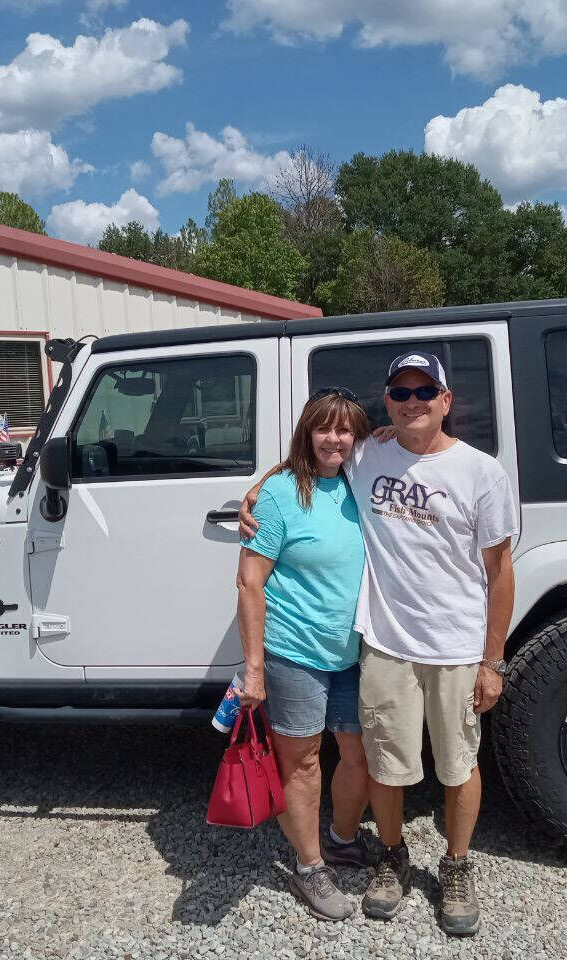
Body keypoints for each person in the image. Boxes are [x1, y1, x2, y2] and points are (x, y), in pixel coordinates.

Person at [241, 352, 518, 936]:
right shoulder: (369, 455)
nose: (413, 401)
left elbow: (501, 573)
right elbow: (312, 456)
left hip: (454, 647)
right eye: (401, 392)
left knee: (457, 764)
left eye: (425, 392)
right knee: (387, 766)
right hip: (384, 645)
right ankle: (389, 858)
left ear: (446, 400)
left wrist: (493, 661)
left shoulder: (481, 472)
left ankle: (457, 866)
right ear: (387, 402)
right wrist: (259, 487)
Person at [235, 387, 380, 922]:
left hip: (355, 650)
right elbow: (250, 584)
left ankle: (342, 839)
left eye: (345, 429)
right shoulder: (277, 495)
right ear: (307, 432)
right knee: (303, 763)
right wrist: (254, 670)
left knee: (358, 754)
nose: (334, 438)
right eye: (323, 428)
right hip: (295, 653)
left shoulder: (360, 480)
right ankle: (310, 867)